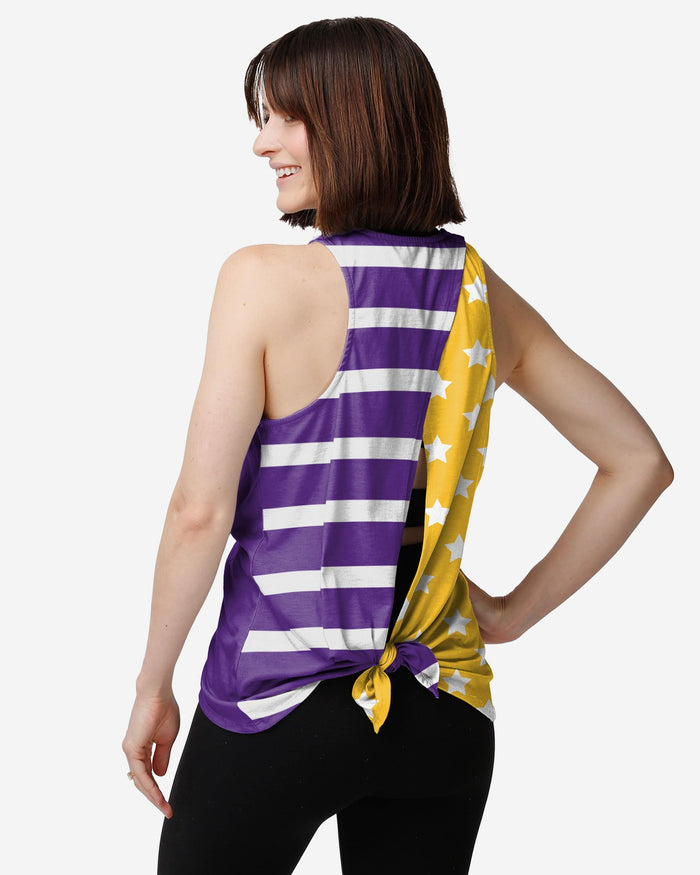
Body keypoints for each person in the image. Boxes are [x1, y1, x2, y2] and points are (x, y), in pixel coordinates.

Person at [122, 17, 673, 874]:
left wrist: (151, 685)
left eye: (286, 118)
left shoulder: (262, 279)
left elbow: (200, 512)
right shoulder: (480, 292)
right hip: (441, 706)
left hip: (278, 704)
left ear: (355, 123)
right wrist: (507, 616)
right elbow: (638, 460)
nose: (263, 143)